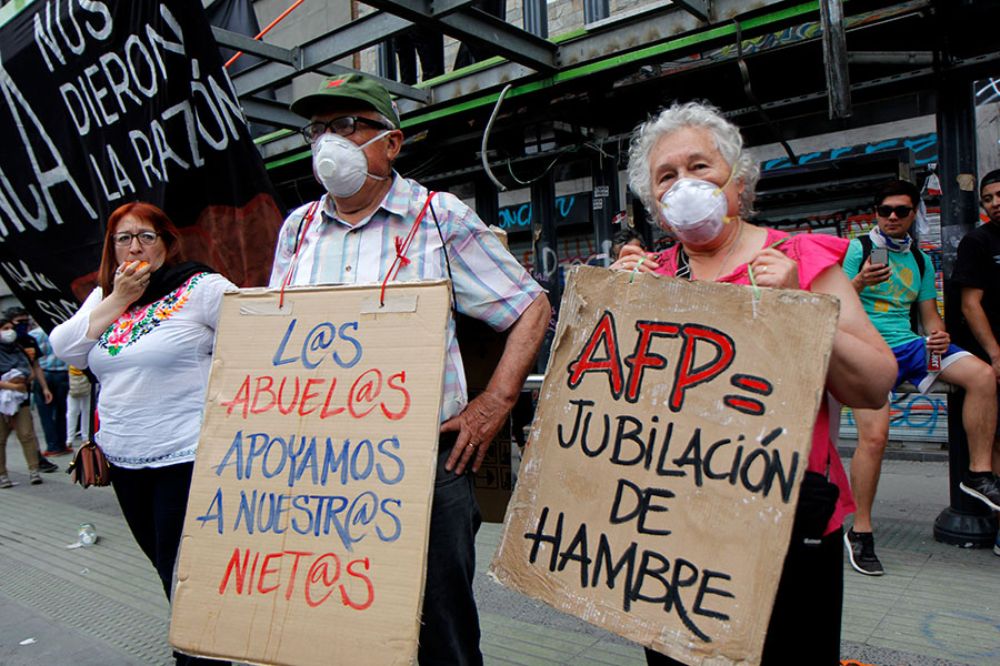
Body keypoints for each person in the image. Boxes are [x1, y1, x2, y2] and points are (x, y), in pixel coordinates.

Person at [272, 73, 549, 665]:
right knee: (337, 624)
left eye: (347, 125)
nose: (328, 142)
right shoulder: (297, 228)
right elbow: (277, 333)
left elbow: (531, 306)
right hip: (318, 468)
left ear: (391, 142)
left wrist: (495, 402)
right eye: (317, 129)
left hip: (423, 465)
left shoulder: (437, 217)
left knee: (441, 631)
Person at [613, 101, 896, 664]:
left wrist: (800, 309)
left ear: (738, 182)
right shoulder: (649, 278)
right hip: (672, 529)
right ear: (656, 207)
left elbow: (873, 385)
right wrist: (615, 307)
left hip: (784, 523)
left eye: (700, 167)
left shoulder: (799, 260)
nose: (684, 184)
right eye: (666, 176)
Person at [50, 201, 234, 666]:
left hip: (187, 456)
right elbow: (64, 346)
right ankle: (208, 644)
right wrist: (118, 299)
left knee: (181, 570)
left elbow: (257, 333)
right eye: (123, 239)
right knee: (162, 563)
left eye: (146, 237)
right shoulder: (106, 297)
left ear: (166, 243)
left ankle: (199, 657)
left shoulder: (200, 288)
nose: (135, 248)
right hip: (125, 461)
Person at [843, 179, 1000, 575]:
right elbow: (832, 303)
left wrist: (938, 334)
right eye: (885, 211)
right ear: (875, 213)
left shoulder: (919, 259)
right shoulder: (857, 249)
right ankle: (860, 530)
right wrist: (859, 282)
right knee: (875, 438)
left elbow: (930, 316)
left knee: (982, 375)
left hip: (910, 346)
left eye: (902, 211)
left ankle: (978, 474)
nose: (893, 217)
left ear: (914, 214)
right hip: (864, 348)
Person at [950, 168, 1000, 557]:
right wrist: (995, 353)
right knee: (996, 438)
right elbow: (970, 304)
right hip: (991, 353)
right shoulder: (978, 241)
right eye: (988, 198)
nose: (995, 203)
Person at [6, 307, 72, 456]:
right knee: (59, 411)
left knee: (49, 413)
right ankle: (58, 445)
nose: (23, 324)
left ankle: (53, 446)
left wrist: (42, 385)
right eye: (19, 321)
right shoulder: (59, 331)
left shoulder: (32, 337)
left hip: (44, 374)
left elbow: (36, 363)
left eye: (26, 321)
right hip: (59, 373)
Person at [0, 314, 49, 488]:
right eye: (5, 329)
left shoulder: (19, 349)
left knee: (27, 435)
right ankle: (2, 475)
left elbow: (32, 370)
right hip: (2, 400)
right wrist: (11, 385)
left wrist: (24, 380)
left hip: (22, 399)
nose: (10, 332)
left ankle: (34, 470)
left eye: (10, 328)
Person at [66, 365, 92, 446]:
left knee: (72, 411)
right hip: (87, 375)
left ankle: (70, 438)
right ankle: (85, 437)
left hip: (73, 376)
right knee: (86, 410)